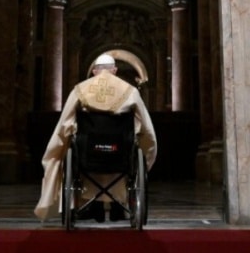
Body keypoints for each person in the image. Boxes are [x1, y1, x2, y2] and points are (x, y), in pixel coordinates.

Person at [34, 53, 157, 223]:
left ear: (94, 71)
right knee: (127, 150)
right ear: (114, 70)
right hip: (119, 156)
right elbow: (146, 129)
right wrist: (147, 150)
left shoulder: (80, 90)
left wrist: (57, 149)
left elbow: (64, 125)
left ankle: (93, 206)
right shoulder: (130, 91)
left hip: (87, 156)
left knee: (79, 147)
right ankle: (117, 207)